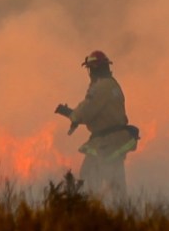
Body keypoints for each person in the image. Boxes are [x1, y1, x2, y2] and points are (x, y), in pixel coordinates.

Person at [54, 50, 139, 200]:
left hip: (106, 143)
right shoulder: (113, 84)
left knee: (88, 178)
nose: (90, 74)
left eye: (90, 69)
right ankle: (120, 209)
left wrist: (71, 114)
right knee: (116, 184)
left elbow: (87, 110)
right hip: (115, 140)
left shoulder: (100, 87)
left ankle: (93, 208)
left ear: (94, 69)